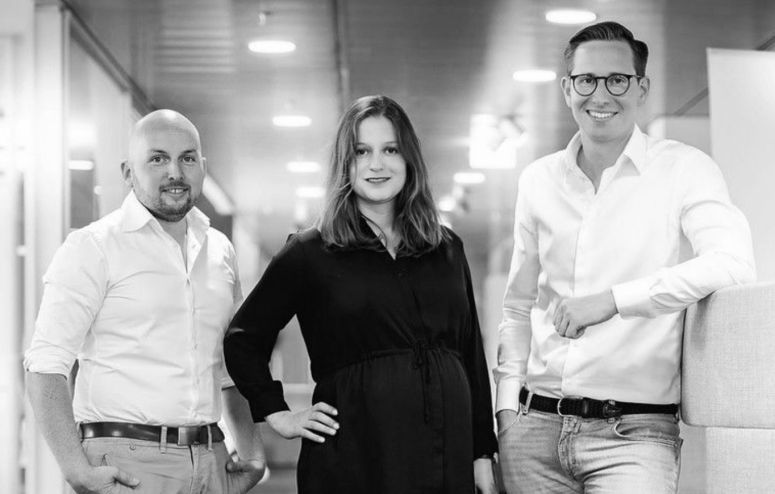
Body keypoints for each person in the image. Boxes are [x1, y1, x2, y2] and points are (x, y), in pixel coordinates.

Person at [494, 21, 756, 494]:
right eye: (586, 80)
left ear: (642, 88)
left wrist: (614, 300)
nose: (600, 95)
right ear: (567, 89)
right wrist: (506, 408)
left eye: (617, 80)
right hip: (534, 430)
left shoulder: (683, 168)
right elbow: (517, 306)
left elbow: (733, 261)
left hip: (634, 435)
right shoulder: (538, 181)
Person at [224, 95, 498, 493]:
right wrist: (278, 413)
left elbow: (470, 355)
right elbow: (243, 340)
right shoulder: (311, 251)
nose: (377, 164)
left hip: (445, 457)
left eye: (391, 150)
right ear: (345, 163)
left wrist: (482, 453)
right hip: (355, 458)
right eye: (361, 152)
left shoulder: (446, 248)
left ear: (409, 159)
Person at [25, 110, 265, 494]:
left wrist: (251, 449)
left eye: (187, 158)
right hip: (127, 464)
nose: (175, 172)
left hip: (211, 458)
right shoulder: (93, 247)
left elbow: (228, 365)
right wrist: (75, 469)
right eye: (157, 159)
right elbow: (45, 365)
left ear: (203, 167)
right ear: (128, 172)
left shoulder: (219, 249)